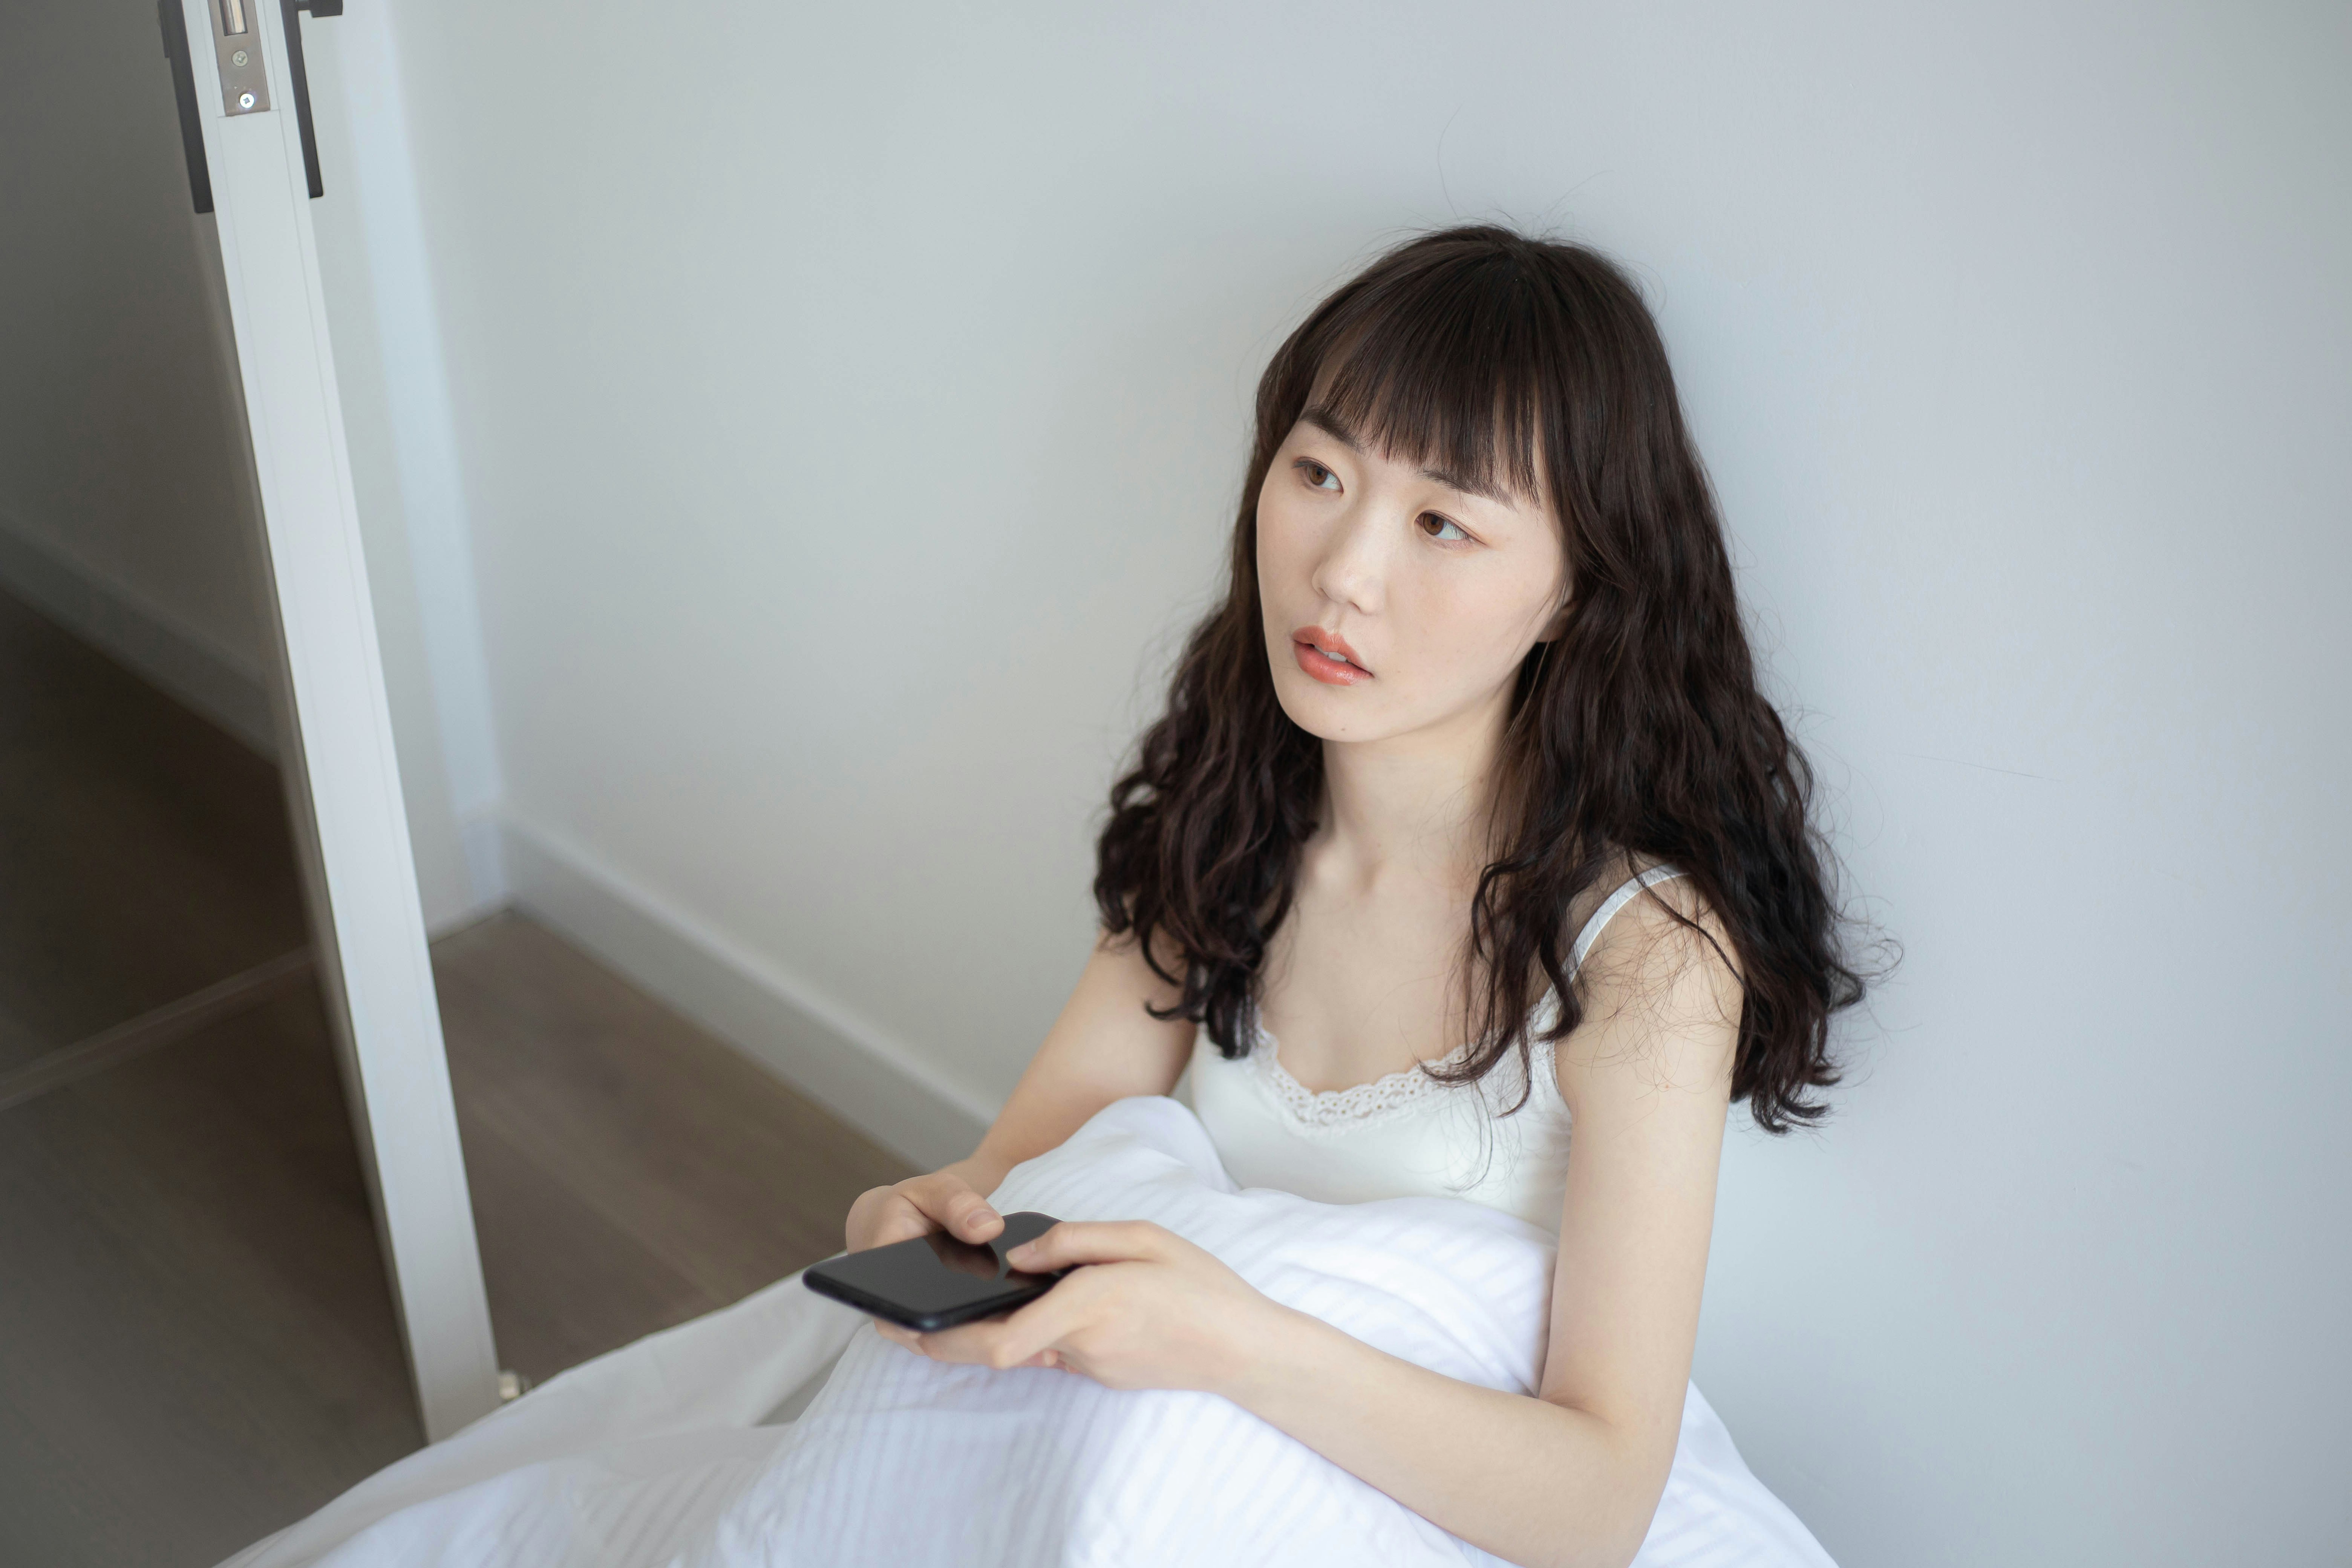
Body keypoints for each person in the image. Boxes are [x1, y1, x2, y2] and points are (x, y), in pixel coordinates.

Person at [844, 223, 1870, 1568]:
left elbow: (1601, 1498)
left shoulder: (1644, 952)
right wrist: (906, 1220)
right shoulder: (1229, 829)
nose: (1344, 571)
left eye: (1443, 521)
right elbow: (1014, 1178)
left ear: (1576, 589)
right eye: (1319, 473)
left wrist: (1226, 1340)